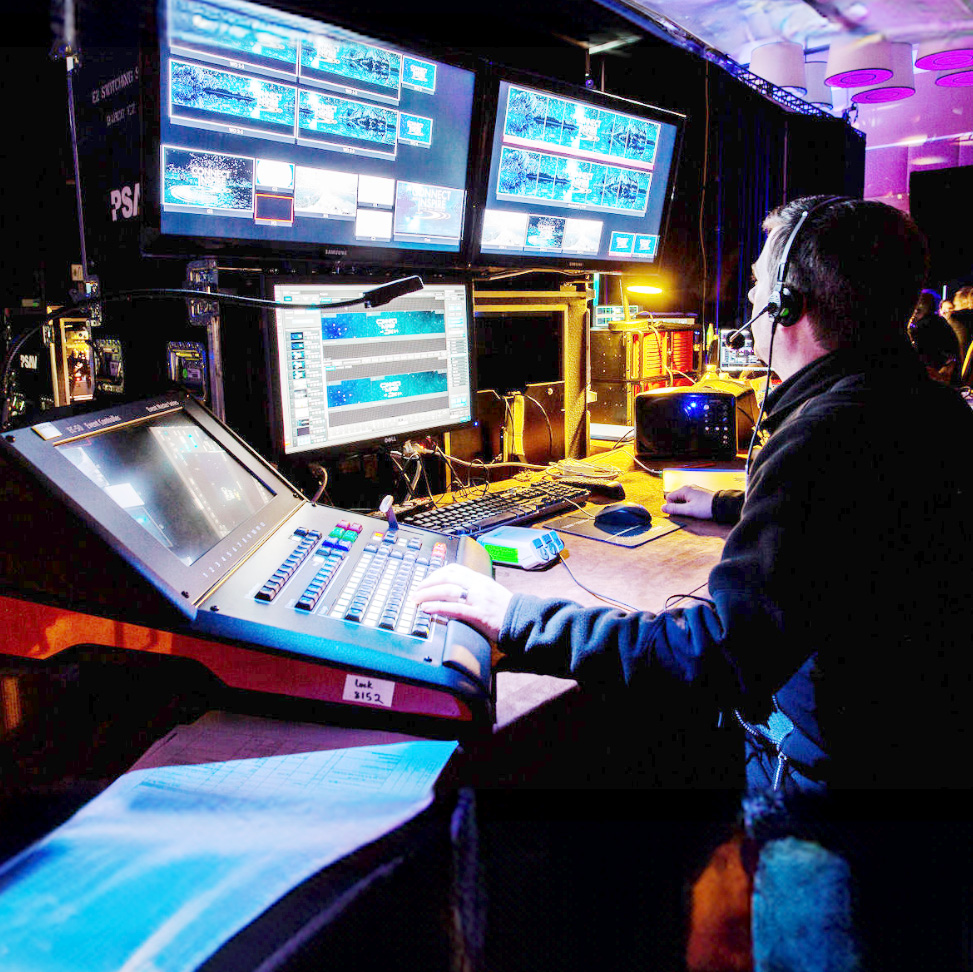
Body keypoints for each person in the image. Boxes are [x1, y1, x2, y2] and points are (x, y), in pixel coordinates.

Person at [416, 196, 973, 970]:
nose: (748, 297)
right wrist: (728, 505)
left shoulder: (825, 438)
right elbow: (856, 520)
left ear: (789, 304)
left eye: (757, 284)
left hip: (843, 814)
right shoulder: (925, 408)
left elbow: (715, 652)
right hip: (925, 778)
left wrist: (517, 618)